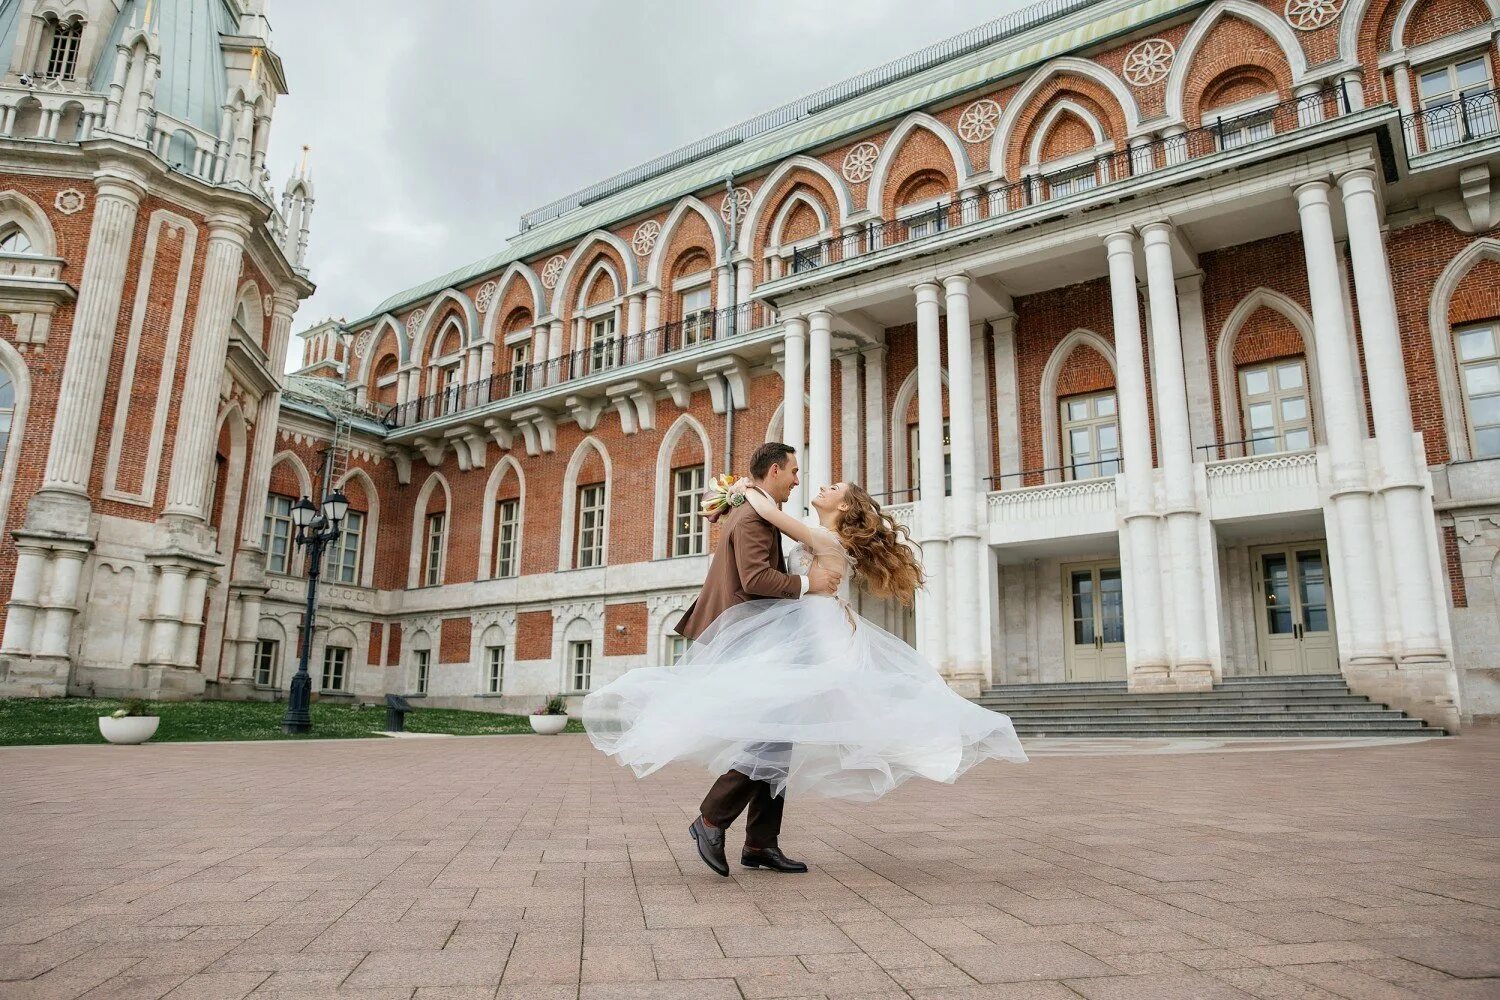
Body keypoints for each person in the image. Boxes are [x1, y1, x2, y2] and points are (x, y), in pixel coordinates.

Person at [582, 442, 1027, 878]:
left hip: (812, 641)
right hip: (790, 636)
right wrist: (797, 570)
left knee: (776, 735)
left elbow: (777, 521)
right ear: (774, 471)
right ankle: (731, 829)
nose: (803, 480)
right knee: (775, 737)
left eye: (827, 484)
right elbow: (758, 575)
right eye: (794, 472)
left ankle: (742, 833)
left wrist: (746, 493)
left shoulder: (802, 528)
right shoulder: (760, 519)